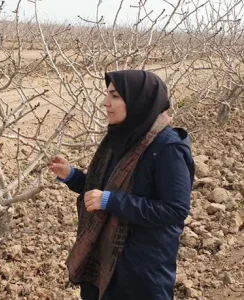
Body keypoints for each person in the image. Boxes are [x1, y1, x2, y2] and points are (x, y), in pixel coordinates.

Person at [49, 70, 195, 300]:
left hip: (140, 270)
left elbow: (175, 210)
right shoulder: (119, 140)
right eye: (107, 95)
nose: (105, 103)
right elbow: (102, 189)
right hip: (103, 261)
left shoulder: (168, 148)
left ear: (140, 100)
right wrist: (72, 176)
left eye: (115, 96)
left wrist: (111, 201)